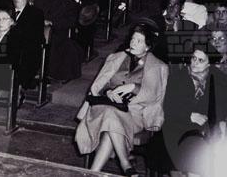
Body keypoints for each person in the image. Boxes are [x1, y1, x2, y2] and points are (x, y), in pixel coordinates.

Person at [75, 24, 168, 176]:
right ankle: (126, 164)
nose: (133, 43)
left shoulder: (158, 66)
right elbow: (99, 84)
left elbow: (153, 94)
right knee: (110, 114)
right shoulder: (116, 58)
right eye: (132, 39)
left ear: (147, 47)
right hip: (104, 107)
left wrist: (133, 87)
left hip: (134, 113)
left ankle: (93, 173)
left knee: (110, 128)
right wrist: (108, 91)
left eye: (139, 41)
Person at [150, 47, 227, 176]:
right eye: (194, 58)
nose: (195, 63)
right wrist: (189, 116)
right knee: (190, 151)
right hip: (177, 126)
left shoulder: (218, 79)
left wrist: (221, 121)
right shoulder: (177, 78)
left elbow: (221, 106)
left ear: (209, 64)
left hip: (205, 128)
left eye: (201, 60)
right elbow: (168, 107)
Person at [34, 0, 81, 82]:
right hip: (39, 31)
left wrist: (52, 23)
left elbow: (71, 21)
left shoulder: (69, 3)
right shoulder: (40, 0)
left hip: (58, 33)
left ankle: (48, 73)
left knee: (62, 46)